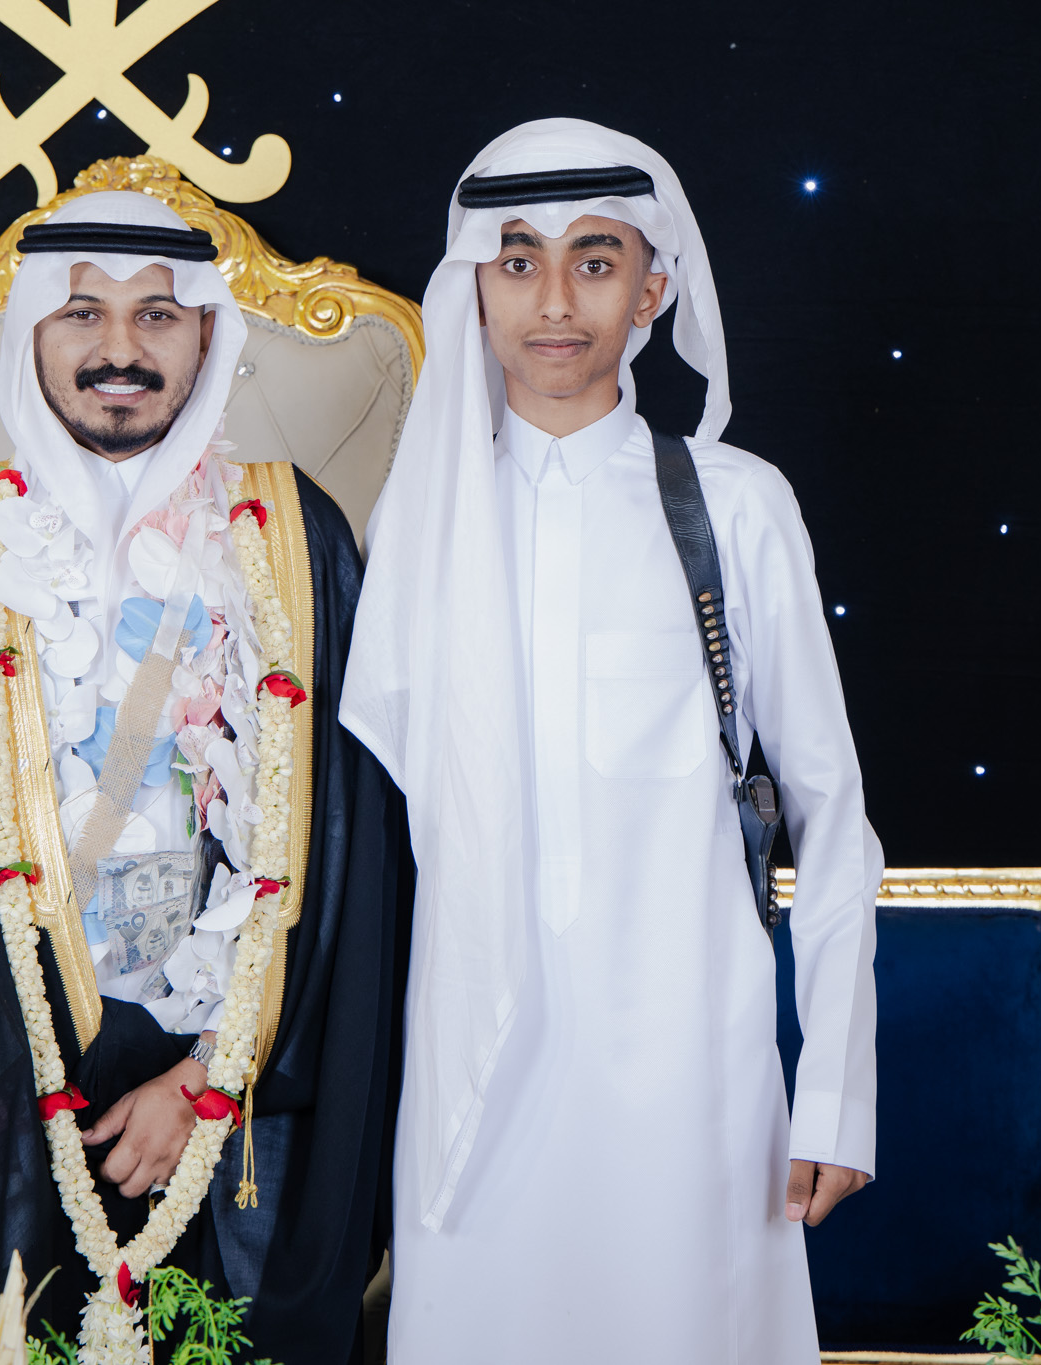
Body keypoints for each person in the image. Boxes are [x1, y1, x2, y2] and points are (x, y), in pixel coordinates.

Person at [0, 191, 409, 1363]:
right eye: (81, 313)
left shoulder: (291, 539)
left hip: (233, 1087)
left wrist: (210, 1080)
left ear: (206, 334)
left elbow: (356, 857)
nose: (119, 349)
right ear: (29, 334)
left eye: (156, 314)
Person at [343, 119, 880, 1360]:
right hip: (471, 1077)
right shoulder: (412, 527)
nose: (552, 301)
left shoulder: (734, 506)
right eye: (515, 260)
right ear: (472, 288)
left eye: (593, 261)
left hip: (692, 1072)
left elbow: (829, 813)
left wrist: (834, 1093)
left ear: (652, 290)